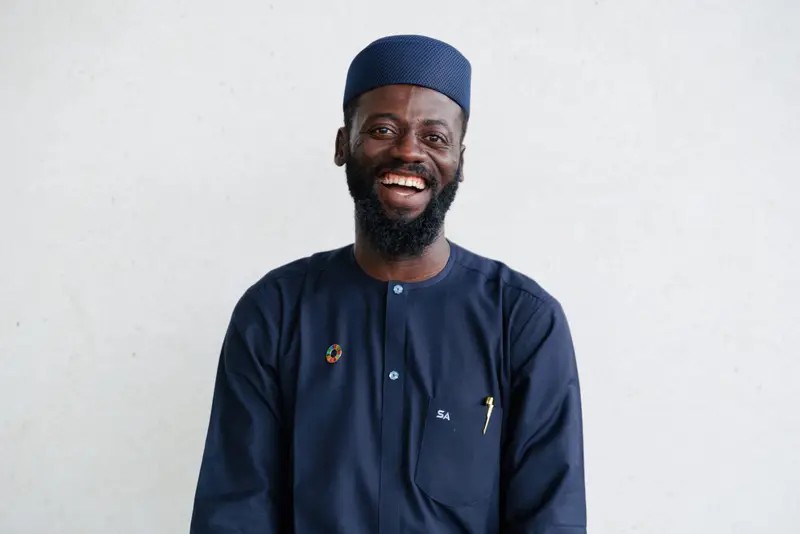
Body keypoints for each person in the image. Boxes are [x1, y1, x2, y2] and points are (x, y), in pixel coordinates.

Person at [190, 34, 586, 534]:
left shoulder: (523, 321)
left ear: (459, 160)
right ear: (343, 145)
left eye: (434, 137)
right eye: (382, 128)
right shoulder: (275, 312)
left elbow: (552, 517)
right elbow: (234, 511)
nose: (408, 152)